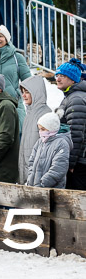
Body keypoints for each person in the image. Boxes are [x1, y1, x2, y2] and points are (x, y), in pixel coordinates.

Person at [55, 61, 86, 190]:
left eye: (63, 75)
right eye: (57, 75)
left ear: (73, 80)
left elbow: (76, 134)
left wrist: (70, 163)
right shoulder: (70, 96)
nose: (58, 78)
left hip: (79, 163)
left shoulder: (76, 99)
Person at [18, 75, 52, 185]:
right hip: (27, 171)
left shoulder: (45, 113)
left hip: (38, 174)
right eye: (22, 92)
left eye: (27, 92)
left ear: (36, 92)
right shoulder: (29, 113)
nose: (23, 95)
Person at [26, 112, 73, 189]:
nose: (40, 132)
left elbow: (58, 169)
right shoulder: (40, 142)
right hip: (35, 188)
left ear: (51, 128)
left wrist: (42, 184)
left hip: (51, 190)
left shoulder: (61, 143)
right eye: (39, 129)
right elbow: (31, 162)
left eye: (43, 129)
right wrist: (30, 180)